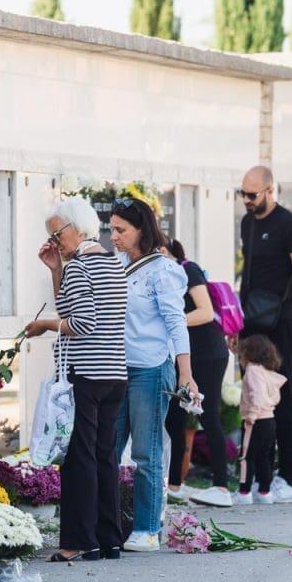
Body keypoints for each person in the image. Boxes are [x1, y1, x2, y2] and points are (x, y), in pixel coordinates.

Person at [25, 197, 128, 562]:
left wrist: (44, 325)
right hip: (114, 373)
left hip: (85, 374)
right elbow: (71, 308)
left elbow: (80, 324)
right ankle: (108, 539)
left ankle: (77, 542)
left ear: (78, 228)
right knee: (104, 456)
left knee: (78, 458)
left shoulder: (81, 267)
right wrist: (56, 270)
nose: (55, 242)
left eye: (57, 234)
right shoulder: (112, 263)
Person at [109, 198, 197, 553]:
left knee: (146, 452)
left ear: (141, 229)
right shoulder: (116, 264)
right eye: (111, 229)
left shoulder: (163, 270)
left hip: (151, 368)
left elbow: (176, 322)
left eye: (121, 230)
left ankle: (147, 529)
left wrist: (185, 373)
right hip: (116, 368)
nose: (113, 236)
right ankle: (106, 525)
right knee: (108, 448)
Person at [235, 165, 292, 504]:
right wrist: (236, 325)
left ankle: (288, 478)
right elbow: (248, 275)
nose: (246, 200)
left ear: (270, 191)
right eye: (242, 194)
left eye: (252, 195)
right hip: (251, 321)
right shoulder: (248, 223)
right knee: (253, 398)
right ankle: (259, 478)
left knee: (279, 396)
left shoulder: (289, 225)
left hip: (280, 321)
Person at [161, 239, 233, 508]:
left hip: (209, 354)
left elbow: (205, 312)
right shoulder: (161, 277)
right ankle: (175, 485)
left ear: (166, 250)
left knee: (208, 415)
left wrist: (171, 320)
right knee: (175, 418)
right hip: (185, 355)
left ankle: (222, 487)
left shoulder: (187, 269)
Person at [235, 335, 286, 505]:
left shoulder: (252, 371)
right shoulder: (267, 372)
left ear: (249, 354)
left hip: (255, 421)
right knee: (263, 457)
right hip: (269, 419)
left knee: (246, 457)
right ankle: (264, 491)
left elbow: (257, 395)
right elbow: (272, 397)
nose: (240, 359)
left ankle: (244, 493)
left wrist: (251, 415)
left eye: (241, 355)